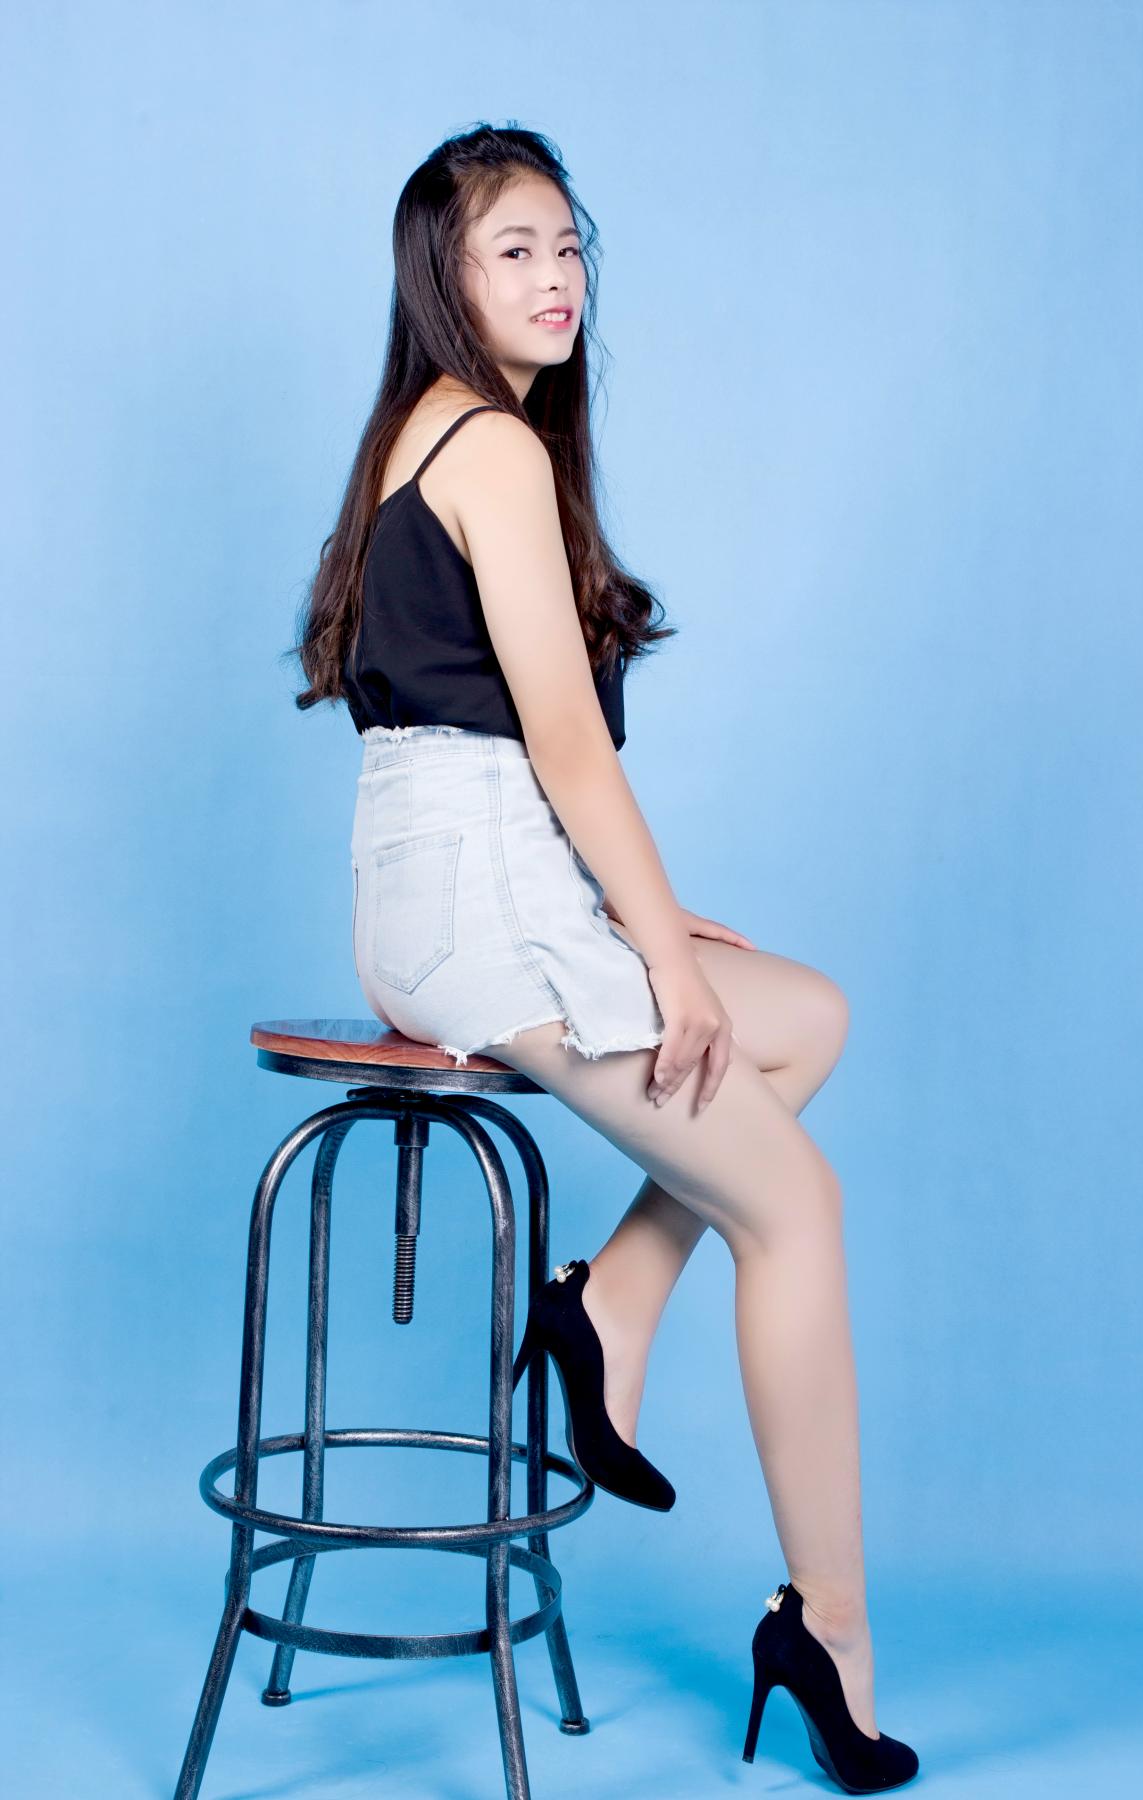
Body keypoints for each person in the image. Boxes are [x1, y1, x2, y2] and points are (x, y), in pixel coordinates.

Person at [289, 122, 919, 1793]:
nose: (558, 277)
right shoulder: (489, 443)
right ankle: (830, 1634)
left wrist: (649, 918)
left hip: (457, 879)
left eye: (570, 246)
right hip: (483, 894)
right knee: (795, 1209)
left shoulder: (427, 432)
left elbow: (513, 753)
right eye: (516, 250)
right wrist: (657, 953)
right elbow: (563, 745)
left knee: (806, 1017)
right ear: (443, 275)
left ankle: (609, 1304)